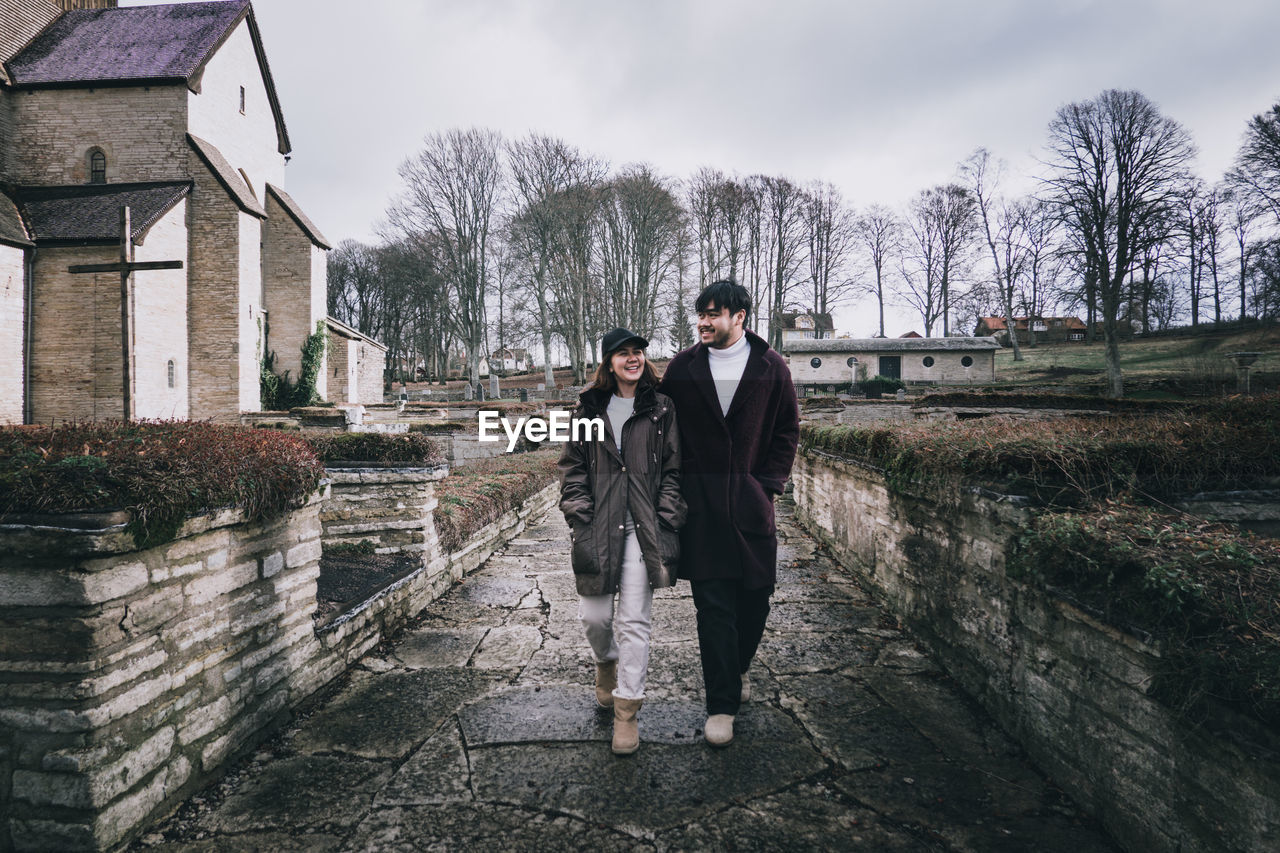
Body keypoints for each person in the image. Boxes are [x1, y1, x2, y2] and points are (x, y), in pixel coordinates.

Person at [657, 280, 800, 747]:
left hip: (751, 502)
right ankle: (721, 704)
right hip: (701, 508)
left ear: (739, 317)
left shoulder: (770, 366)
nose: (703, 321)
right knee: (713, 608)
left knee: (755, 600)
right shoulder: (682, 368)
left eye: (713, 313)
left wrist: (768, 486)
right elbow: (660, 428)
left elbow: (786, 431)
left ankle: (733, 670)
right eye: (700, 313)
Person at [558, 327, 686, 755]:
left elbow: (673, 468)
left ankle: (627, 713)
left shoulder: (661, 407)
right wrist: (580, 516)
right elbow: (574, 469)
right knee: (594, 617)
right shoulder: (590, 409)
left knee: (635, 621)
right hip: (599, 525)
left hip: (643, 529)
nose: (632, 359)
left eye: (637, 353)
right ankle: (605, 662)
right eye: (622, 354)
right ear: (608, 362)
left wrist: (666, 516)